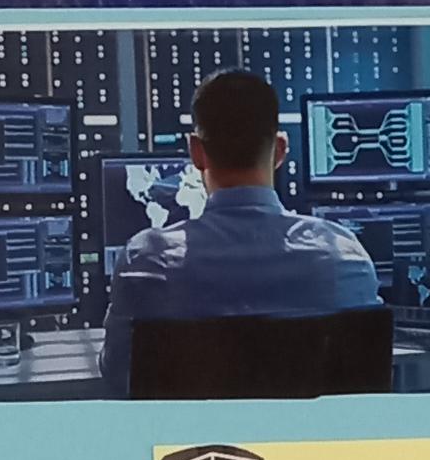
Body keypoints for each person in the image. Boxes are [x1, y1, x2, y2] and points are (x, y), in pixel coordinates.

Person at [102, 70, 381, 347]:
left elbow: (118, 369)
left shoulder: (145, 261)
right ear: (280, 150)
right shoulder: (345, 258)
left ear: (196, 152)